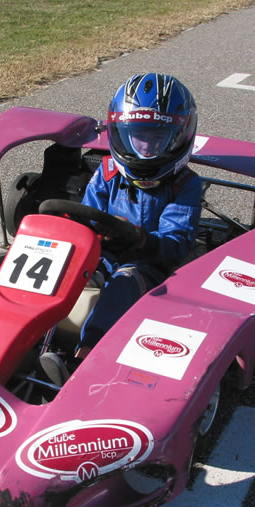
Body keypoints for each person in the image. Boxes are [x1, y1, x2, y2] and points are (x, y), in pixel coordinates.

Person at [39, 73, 202, 385]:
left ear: (179, 137)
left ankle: (84, 360)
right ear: (120, 134)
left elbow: (175, 246)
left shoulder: (185, 184)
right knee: (52, 262)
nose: (145, 148)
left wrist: (138, 238)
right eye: (137, 137)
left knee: (123, 283)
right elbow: (85, 218)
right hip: (100, 255)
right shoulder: (108, 171)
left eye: (156, 139)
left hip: (148, 264)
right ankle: (7, 338)